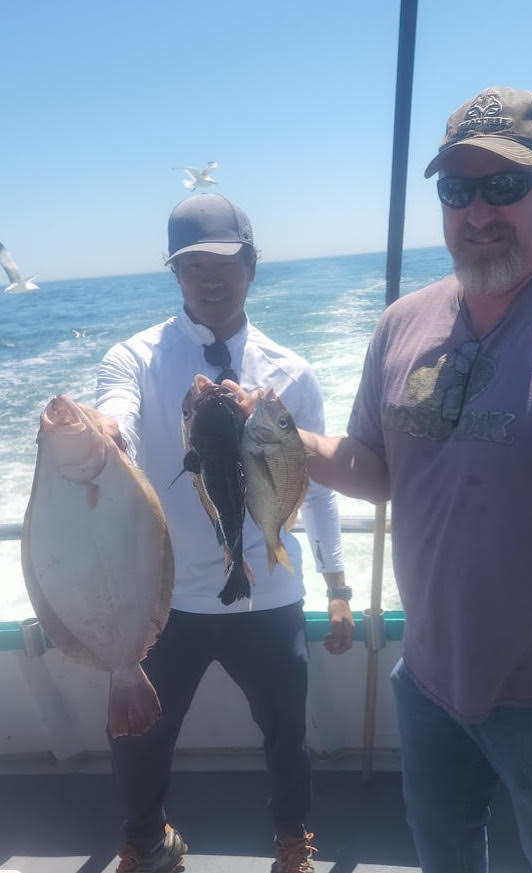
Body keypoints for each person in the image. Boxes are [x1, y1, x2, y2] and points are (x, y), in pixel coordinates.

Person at [287, 86, 532, 872]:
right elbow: (379, 470)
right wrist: (286, 442)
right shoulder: (402, 323)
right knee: (443, 852)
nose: (477, 210)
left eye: (504, 185)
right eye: (457, 190)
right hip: (428, 676)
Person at [93, 192, 355, 873]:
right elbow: (114, 411)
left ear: (252, 265)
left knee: (286, 733)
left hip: (266, 590)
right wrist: (105, 433)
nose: (209, 277)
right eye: (191, 265)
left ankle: (291, 839)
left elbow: (315, 486)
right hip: (165, 594)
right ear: (175, 273)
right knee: (137, 730)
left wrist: (335, 583)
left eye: (225, 261)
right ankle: (144, 837)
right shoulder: (136, 359)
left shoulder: (288, 371)